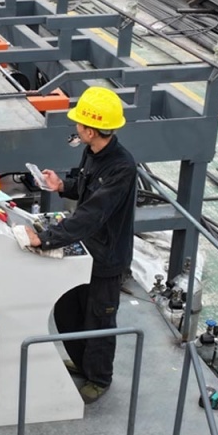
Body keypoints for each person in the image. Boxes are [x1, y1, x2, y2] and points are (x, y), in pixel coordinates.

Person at [24, 86, 137, 404]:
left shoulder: (122, 167)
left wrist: (46, 238)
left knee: (99, 317)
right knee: (67, 309)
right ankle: (83, 361)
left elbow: (92, 214)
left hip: (106, 257)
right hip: (86, 248)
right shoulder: (93, 152)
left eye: (79, 123)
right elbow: (87, 188)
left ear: (91, 129)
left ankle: (99, 378)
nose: (75, 127)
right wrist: (64, 185)